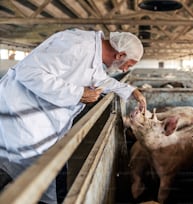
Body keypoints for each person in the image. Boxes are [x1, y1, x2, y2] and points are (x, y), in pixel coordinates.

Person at [0, 28, 146, 203]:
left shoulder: (94, 55)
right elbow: (28, 72)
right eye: (129, 65)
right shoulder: (76, 44)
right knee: (32, 179)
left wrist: (132, 91)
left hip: (40, 122)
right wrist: (78, 94)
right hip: (21, 117)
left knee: (48, 174)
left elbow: (100, 80)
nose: (125, 68)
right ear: (119, 55)